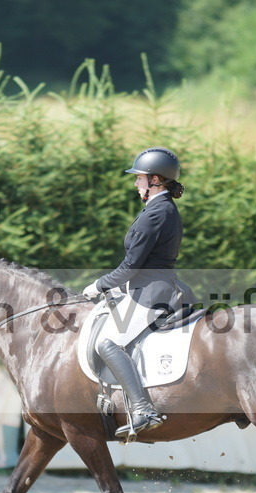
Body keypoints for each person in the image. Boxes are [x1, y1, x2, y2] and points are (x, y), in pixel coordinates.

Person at [82, 146, 196, 439]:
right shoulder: (159, 208)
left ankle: (144, 409)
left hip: (151, 292)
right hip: (148, 285)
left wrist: (100, 284)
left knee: (108, 343)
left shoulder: (157, 213)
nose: (135, 183)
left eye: (140, 178)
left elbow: (132, 265)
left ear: (155, 180)